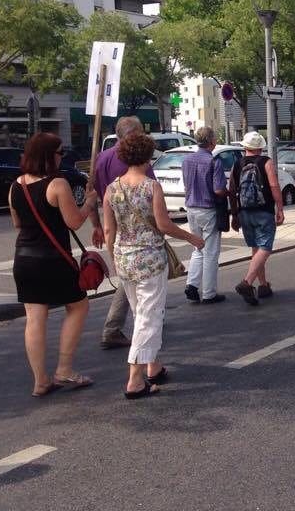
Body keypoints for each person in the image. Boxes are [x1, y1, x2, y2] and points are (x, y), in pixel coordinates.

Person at [103, 133, 205, 399]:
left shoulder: (112, 189)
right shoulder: (151, 187)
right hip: (149, 260)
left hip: (124, 259)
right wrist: (191, 237)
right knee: (149, 318)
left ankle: (154, 366)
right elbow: (164, 225)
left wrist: (114, 257)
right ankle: (135, 380)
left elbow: (107, 229)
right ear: (147, 157)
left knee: (141, 315)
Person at [8, 132, 100, 397]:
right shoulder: (57, 184)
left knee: (35, 319)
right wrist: (88, 204)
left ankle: (40, 380)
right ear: (49, 155)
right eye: (60, 152)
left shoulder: (16, 185)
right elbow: (74, 222)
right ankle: (64, 367)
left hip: (24, 258)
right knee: (78, 305)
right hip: (52, 259)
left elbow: (17, 223)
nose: (63, 157)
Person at [89, 116, 155, 350]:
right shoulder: (136, 159)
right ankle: (126, 325)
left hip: (113, 226)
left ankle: (127, 323)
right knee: (139, 278)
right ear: (133, 134)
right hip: (136, 230)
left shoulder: (102, 159)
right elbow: (151, 197)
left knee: (128, 277)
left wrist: (97, 225)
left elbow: (94, 197)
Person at [229, 132, 285, 305]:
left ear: (245, 146)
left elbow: (231, 190)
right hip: (264, 210)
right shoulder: (265, 162)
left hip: (245, 211)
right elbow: (274, 185)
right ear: (260, 147)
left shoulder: (237, 164)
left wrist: (235, 213)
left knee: (256, 248)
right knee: (266, 247)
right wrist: (280, 208)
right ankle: (247, 282)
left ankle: (263, 286)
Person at [181, 126, 228, 304]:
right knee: (211, 252)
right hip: (208, 209)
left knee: (198, 247)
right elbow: (218, 189)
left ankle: (191, 285)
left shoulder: (187, 161)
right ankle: (209, 293)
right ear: (211, 142)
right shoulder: (213, 162)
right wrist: (228, 193)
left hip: (191, 208)